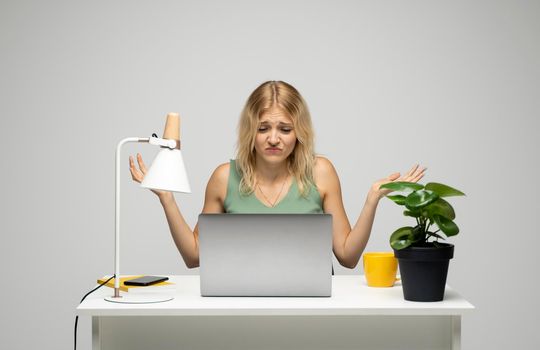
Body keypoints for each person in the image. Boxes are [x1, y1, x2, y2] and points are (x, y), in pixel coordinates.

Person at [129, 81, 425, 269]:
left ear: (299, 133)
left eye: (284, 129)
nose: (273, 138)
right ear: (250, 132)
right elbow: (194, 257)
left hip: (313, 307)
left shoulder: (321, 172)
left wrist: (372, 198)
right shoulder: (223, 177)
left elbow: (347, 257)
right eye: (263, 128)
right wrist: (166, 199)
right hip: (241, 305)